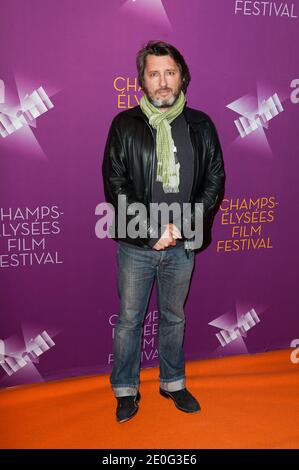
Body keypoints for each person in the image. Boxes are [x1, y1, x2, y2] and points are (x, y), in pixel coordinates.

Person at [102, 40, 225, 423]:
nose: (162, 81)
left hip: (183, 244)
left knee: (174, 317)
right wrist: (152, 229)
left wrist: (186, 226)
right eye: (154, 73)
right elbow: (115, 184)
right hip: (138, 244)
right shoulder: (124, 125)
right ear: (142, 80)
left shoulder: (201, 125)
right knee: (129, 320)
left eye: (169, 72)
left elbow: (214, 180)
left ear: (181, 76)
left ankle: (173, 382)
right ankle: (125, 388)